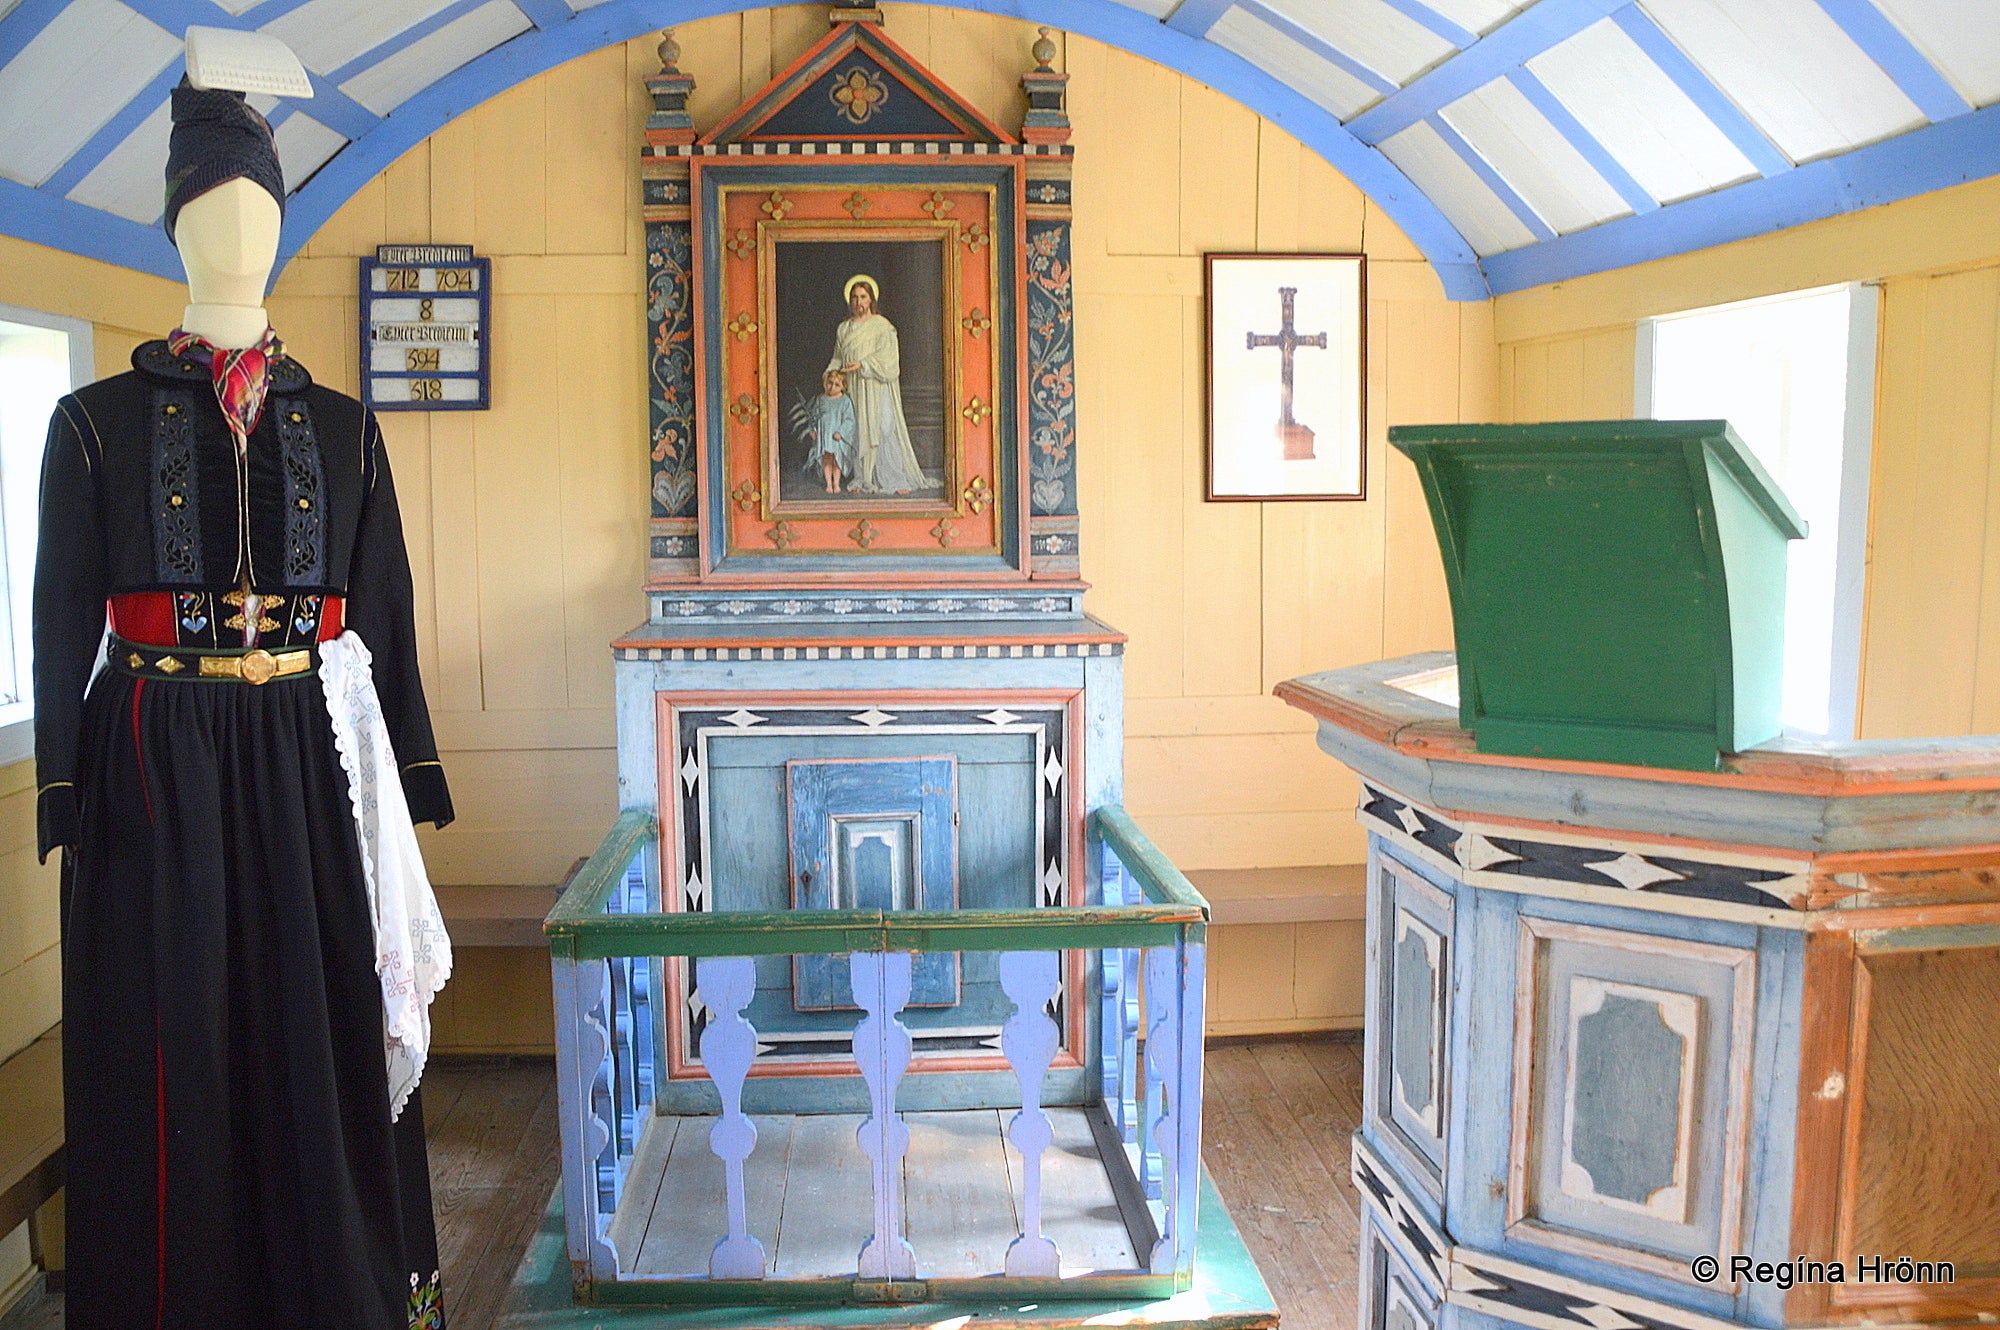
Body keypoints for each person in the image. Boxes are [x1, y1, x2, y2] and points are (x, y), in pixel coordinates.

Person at [35, 78, 453, 1330]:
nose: (239, 234)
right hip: (155, 751)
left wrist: (414, 775)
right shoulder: (92, 423)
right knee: (176, 1029)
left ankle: (336, 1289)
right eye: (213, 209)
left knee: (322, 1011)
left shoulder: (345, 426)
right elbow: (59, 611)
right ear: (173, 226)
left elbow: (384, 608)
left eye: (260, 211)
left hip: (308, 751)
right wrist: (63, 780)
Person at [828, 275, 931, 495]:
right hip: (854, 387)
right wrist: (831, 372)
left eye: (863, 297)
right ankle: (863, 479)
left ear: (871, 299)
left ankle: (894, 479)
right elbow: (838, 356)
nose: (858, 302)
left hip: (876, 385)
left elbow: (889, 360)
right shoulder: (844, 328)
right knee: (858, 429)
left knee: (884, 428)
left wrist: (863, 364)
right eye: (854, 297)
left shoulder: (882, 326)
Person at [801, 366, 860, 493]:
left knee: (837, 460)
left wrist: (841, 432)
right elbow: (815, 416)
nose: (832, 387)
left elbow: (850, 420)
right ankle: (829, 484)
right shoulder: (821, 399)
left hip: (836, 437)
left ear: (843, 386)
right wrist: (813, 429)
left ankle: (836, 483)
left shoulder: (845, 401)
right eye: (829, 383)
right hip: (825, 435)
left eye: (837, 385)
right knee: (826, 459)